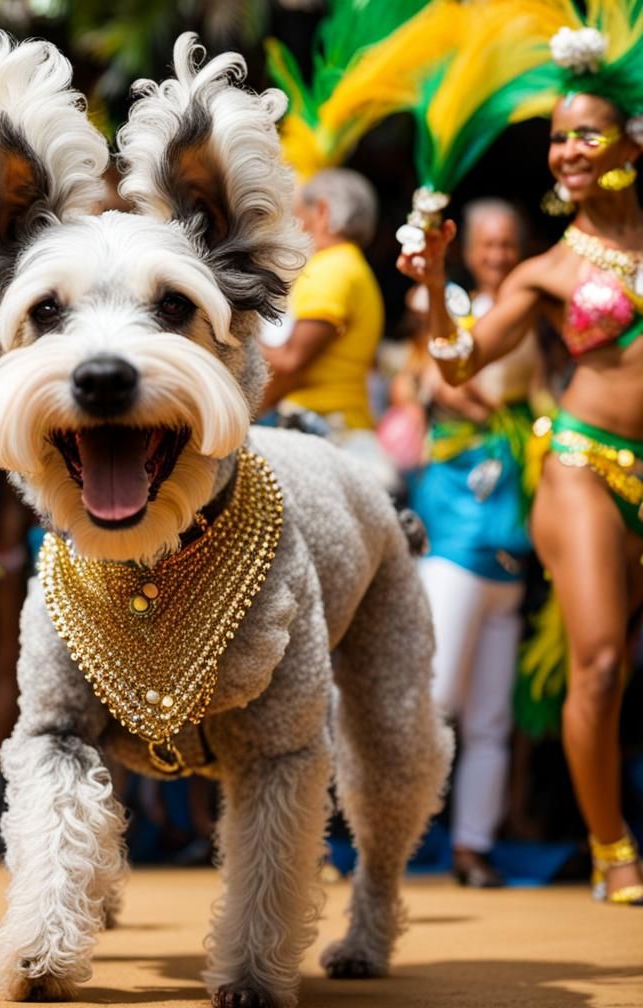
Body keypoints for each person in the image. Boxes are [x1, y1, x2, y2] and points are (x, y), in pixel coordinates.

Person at [398, 29, 643, 904]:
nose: (567, 151)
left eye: (585, 134)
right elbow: (456, 363)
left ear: (633, 141)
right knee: (603, 662)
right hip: (585, 465)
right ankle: (613, 849)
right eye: (557, 137)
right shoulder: (549, 269)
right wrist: (430, 282)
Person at [398, 199, 545, 887]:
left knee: (489, 713)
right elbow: (436, 381)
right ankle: (392, 835)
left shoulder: (532, 311)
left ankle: (471, 846)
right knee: (436, 695)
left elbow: (544, 397)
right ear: (468, 247)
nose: (499, 252)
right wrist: (502, 416)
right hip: (456, 520)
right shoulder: (445, 303)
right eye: (488, 241)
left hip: (510, 526)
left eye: (509, 241)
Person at [261, 169, 398, 492]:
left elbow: (290, 360)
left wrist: (238, 320)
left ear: (321, 211)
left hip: (323, 431)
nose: (294, 224)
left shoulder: (332, 271)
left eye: (298, 214)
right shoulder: (349, 267)